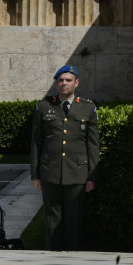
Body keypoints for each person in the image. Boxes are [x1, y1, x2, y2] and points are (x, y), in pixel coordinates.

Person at [30, 65, 100, 251]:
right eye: (60, 80)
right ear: (56, 83)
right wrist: (35, 174)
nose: (64, 84)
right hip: (50, 171)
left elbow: (93, 145)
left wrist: (92, 177)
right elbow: (37, 142)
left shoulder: (88, 107)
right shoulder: (44, 106)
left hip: (77, 172)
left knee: (74, 218)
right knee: (52, 218)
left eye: (68, 80)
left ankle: (73, 256)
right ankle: (53, 254)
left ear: (76, 83)